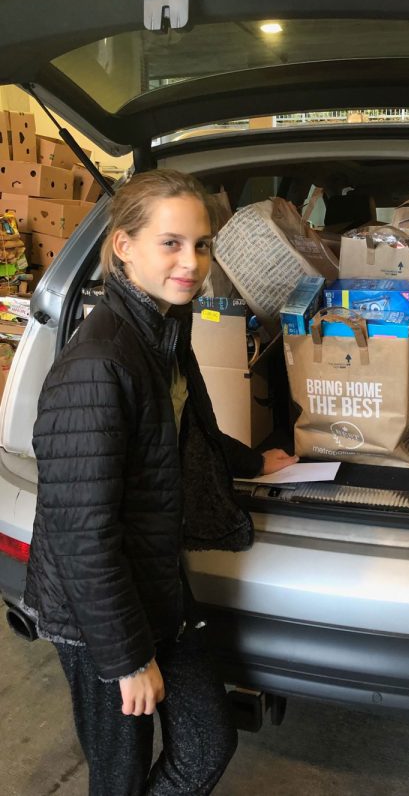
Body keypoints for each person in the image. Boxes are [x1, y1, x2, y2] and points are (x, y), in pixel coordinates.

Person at [22, 169, 297, 795]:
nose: (191, 261)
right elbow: (81, 534)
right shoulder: (98, 365)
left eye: (201, 245)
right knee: (118, 778)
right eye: (170, 243)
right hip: (98, 616)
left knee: (207, 743)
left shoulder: (164, 330)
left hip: (156, 584)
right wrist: (127, 659)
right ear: (124, 246)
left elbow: (181, 429)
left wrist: (253, 461)